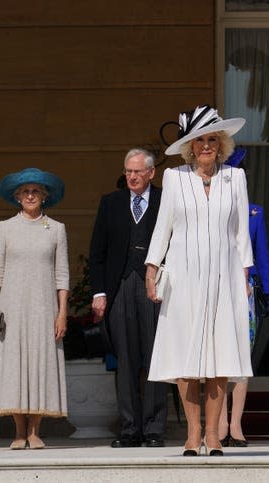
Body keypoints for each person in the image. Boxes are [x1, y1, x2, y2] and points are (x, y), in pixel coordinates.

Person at [145, 105, 253, 457]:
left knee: (220, 359)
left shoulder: (234, 178)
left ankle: (214, 436)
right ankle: (193, 434)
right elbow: (163, 226)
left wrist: (245, 275)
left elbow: (240, 234)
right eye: (199, 141)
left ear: (221, 144)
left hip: (224, 278)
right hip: (183, 278)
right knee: (185, 358)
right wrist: (152, 267)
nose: (206, 146)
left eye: (211, 140)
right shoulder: (175, 178)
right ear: (190, 147)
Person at [0, 168, 69, 450]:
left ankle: (35, 431)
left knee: (40, 363)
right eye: (25, 192)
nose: (30, 196)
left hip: (44, 308)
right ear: (17, 197)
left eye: (36, 192)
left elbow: (62, 275)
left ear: (44, 197)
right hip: (13, 309)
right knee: (15, 367)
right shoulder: (4, 228)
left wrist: (62, 312)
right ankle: (19, 431)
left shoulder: (56, 229)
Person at [89, 148, 168, 448]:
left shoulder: (165, 200)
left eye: (137, 171)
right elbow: (97, 252)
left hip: (156, 287)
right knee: (125, 359)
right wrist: (99, 292)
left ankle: (154, 429)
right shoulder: (111, 203)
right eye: (128, 171)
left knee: (155, 358)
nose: (132, 176)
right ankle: (129, 428)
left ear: (151, 173)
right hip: (120, 287)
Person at [218, 148, 269, 447]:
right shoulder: (211, 208)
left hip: (245, 293)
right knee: (216, 359)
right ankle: (218, 425)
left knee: (241, 358)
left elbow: (262, 254)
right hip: (215, 290)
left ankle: (236, 425)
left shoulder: (255, 212)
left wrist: (268, 290)